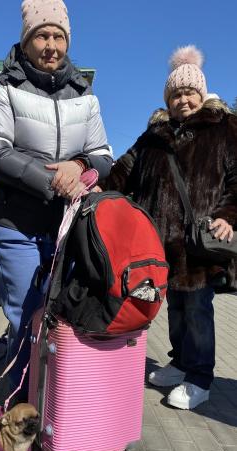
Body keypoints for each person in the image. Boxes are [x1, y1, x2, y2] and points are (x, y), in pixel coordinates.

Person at [0, 0, 112, 399]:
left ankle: (58, 395)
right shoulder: (6, 88)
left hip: (67, 226)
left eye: (58, 36)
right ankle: (23, 400)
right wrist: (54, 180)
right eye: (42, 35)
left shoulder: (84, 95)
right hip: (16, 223)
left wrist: (79, 165)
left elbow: (103, 155)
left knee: (60, 312)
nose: (51, 45)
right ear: (27, 42)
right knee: (24, 311)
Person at [98, 45, 236, 410]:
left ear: (202, 94)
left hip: (200, 242)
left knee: (197, 309)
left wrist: (228, 215)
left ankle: (200, 377)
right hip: (159, 243)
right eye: (176, 93)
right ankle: (179, 362)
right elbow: (125, 169)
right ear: (167, 98)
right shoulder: (153, 136)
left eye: (190, 92)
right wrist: (98, 187)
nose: (184, 99)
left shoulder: (224, 128)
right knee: (173, 306)